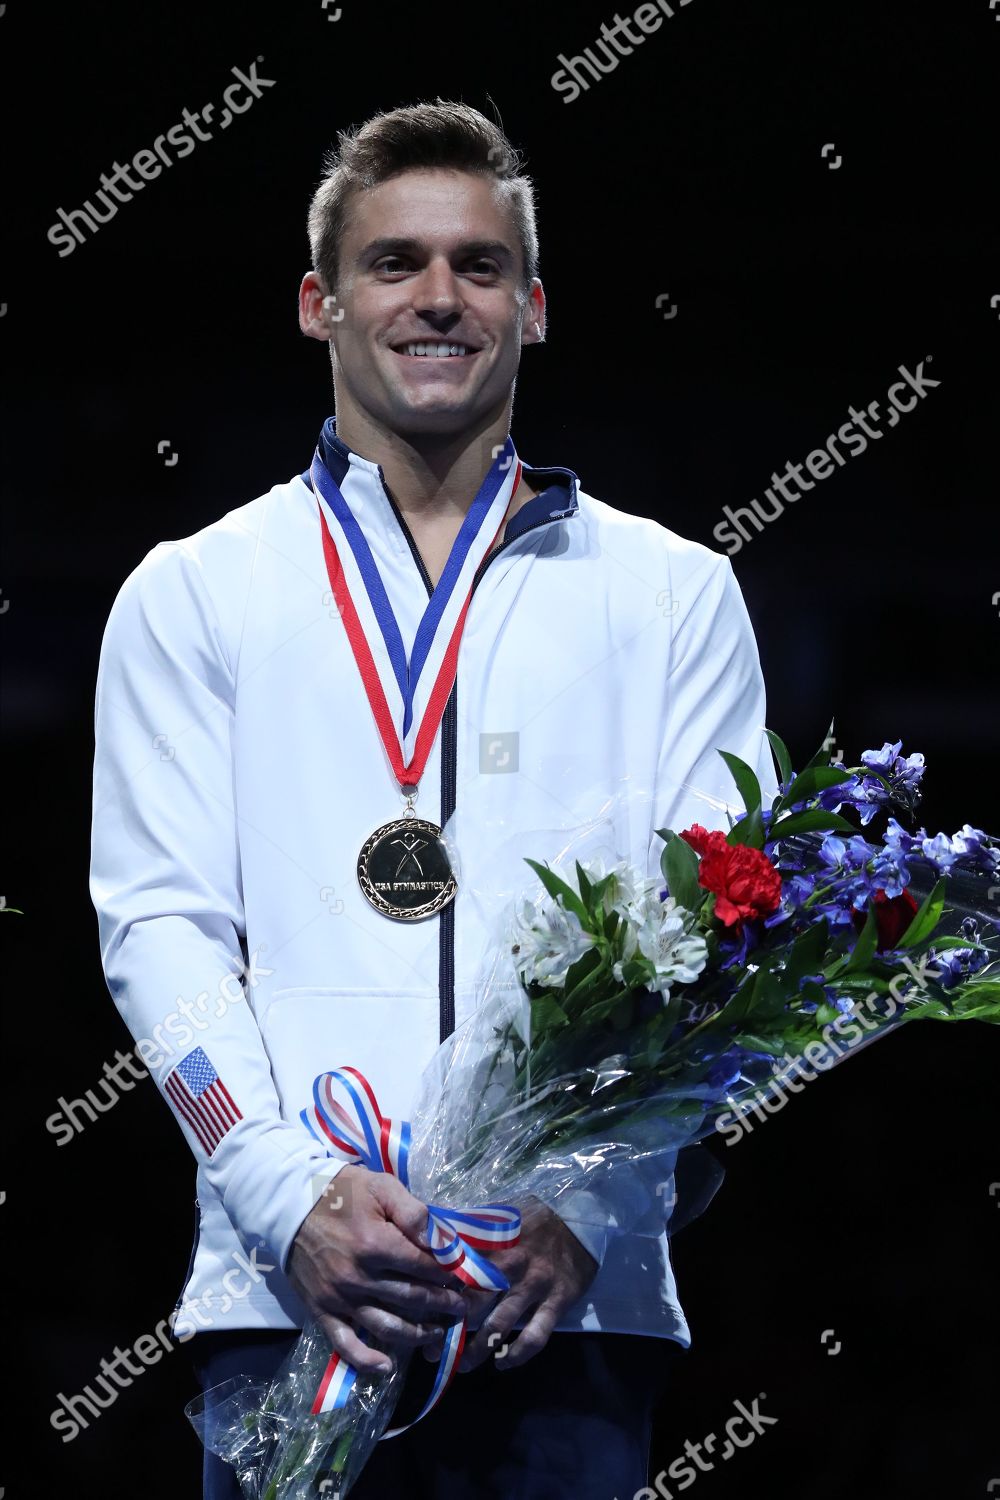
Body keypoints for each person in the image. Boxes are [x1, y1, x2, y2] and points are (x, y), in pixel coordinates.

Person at [89, 99, 777, 1499]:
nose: (438, 298)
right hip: (297, 1297)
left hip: (564, 1301)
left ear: (533, 308)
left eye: (478, 267)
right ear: (318, 302)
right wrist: (291, 1198)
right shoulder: (194, 593)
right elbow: (157, 929)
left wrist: (592, 1201)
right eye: (395, 262)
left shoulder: (673, 594)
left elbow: (726, 935)